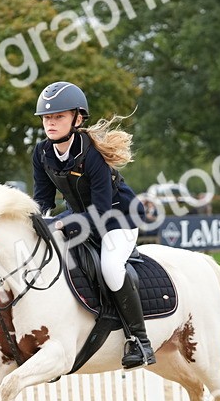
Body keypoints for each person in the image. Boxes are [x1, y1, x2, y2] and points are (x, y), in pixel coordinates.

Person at [31, 80, 155, 369]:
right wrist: (37, 223)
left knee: (111, 268)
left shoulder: (93, 156)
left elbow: (100, 212)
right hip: (79, 221)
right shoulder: (41, 153)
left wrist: (62, 224)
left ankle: (139, 341)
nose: (51, 123)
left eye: (58, 116)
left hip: (116, 222)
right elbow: (43, 200)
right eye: (47, 117)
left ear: (77, 118)